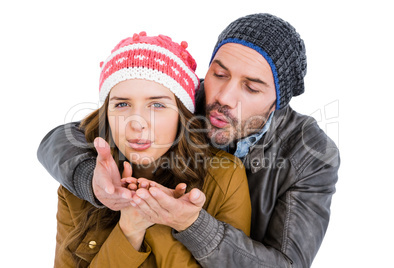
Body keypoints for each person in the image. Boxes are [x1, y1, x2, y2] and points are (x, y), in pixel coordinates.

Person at [38, 13, 340, 268]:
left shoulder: (309, 154)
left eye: (251, 87)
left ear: (278, 102)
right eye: (219, 74)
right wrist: (88, 178)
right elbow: (72, 135)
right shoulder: (178, 96)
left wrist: (191, 224)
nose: (223, 97)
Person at [48, 32, 251, 267]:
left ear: (181, 114)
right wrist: (130, 229)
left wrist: (167, 222)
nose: (137, 122)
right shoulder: (79, 185)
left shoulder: (225, 176)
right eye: (122, 104)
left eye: (157, 105)